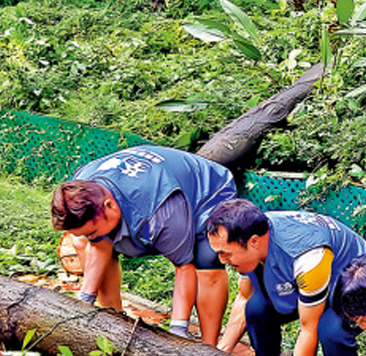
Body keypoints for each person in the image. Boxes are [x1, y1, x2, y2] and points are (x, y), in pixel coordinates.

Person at [50, 146, 237, 342]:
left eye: (92, 231)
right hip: (146, 187)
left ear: (110, 206)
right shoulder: (78, 188)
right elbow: (98, 245)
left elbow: (184, 267)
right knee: (86, 241)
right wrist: (84, 301)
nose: (91, 237)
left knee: (206, 262)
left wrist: (178, 330)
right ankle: (116, 326)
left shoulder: (163, 212)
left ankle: (209, 348)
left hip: (206, 192)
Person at [205, 200, 366, 356]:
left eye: (225, 253)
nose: (221, 260)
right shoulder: (249, 236)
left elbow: (308, 328)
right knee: (256, 308)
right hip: (309, 278)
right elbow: (244, 298)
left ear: (253, 242)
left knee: (332, 330)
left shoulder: (309, 258)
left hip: (355, 280)